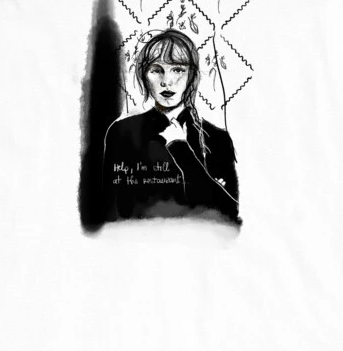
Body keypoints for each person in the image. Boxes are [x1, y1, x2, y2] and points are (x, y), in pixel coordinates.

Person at [102, 29, 240, 225]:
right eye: (156, 70)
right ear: (144, 75)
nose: (166, 82)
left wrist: (181, 149)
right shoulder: (122, 132)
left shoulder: (217, 139)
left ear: (191, 75)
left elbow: (230, 216)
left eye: (177, 70)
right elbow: (110, 210)